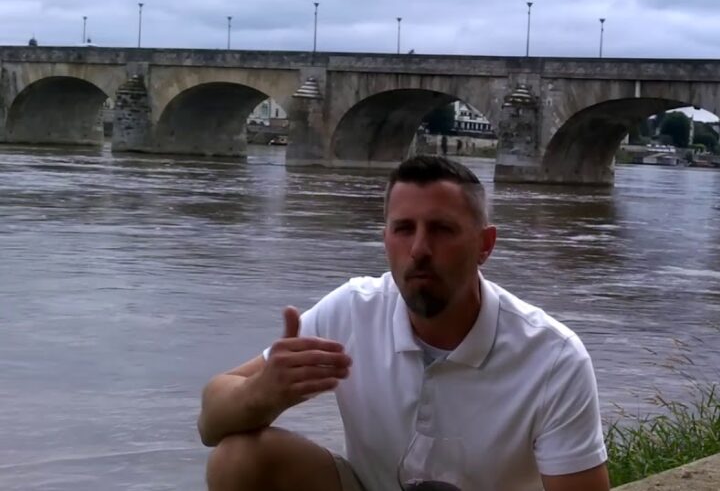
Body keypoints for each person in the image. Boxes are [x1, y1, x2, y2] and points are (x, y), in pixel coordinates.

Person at [197, 155, 610, 490]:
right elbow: (209, 424)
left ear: (485, 245)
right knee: (239, 458)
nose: (419, 249)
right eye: (404, 229)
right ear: (385, 239)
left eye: (442, 229)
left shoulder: (554, 359)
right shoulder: (353, 309)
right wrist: (264, 393)